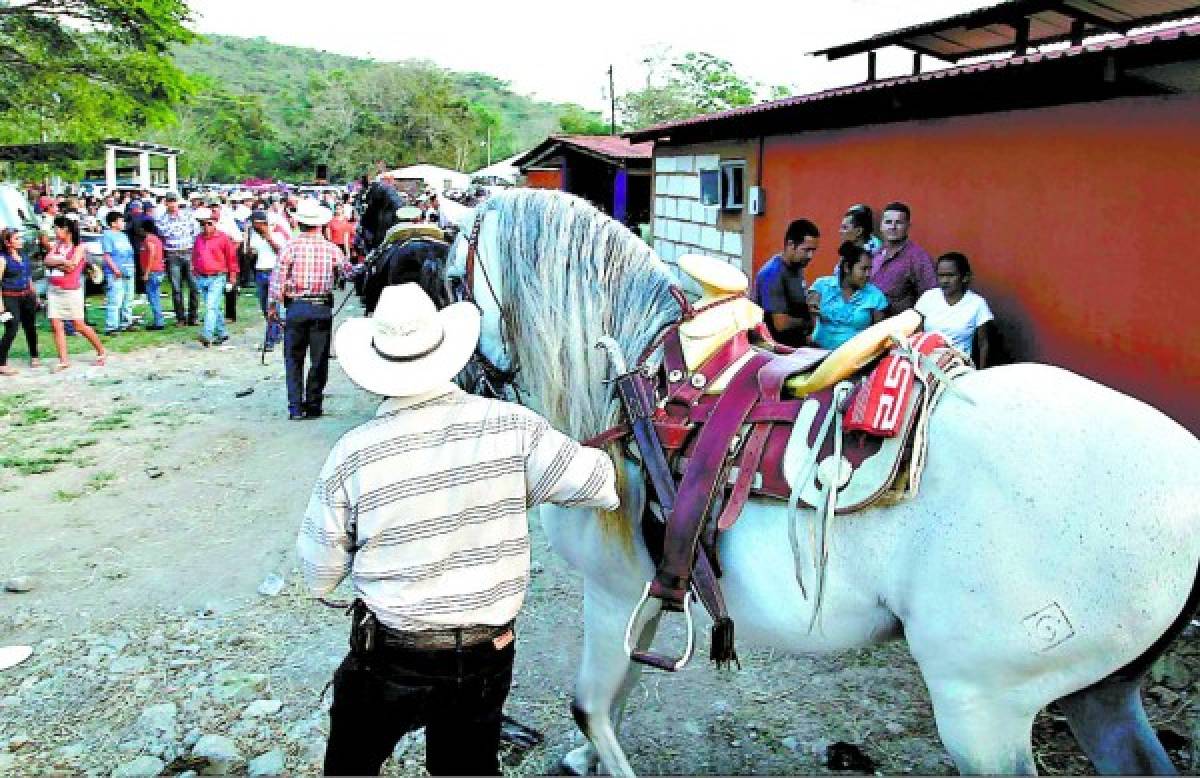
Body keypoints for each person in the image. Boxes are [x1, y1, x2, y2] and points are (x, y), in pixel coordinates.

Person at [298, 283, 619, 776]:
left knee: (349, 764)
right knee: (466, 765)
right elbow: (599, 483)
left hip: (392, 653)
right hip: (486, 652)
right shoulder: (513, 426)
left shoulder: (354, 452)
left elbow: (320, 572)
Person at [267, 199, 354, 420]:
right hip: (321, 308)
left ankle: (295, 407)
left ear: (300, 224)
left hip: (297, 307)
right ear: (320, 224)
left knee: (293, 359)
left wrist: (273, 306)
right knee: (319, 359)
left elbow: (277, 278)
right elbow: (348, 273)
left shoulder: (290, 247)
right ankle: (314, 404)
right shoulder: (331, 249)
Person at [44, 216, 105, 371]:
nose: (55, 231)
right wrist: (63, 262)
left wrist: (58, 263)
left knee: (79, 325)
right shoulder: (57, 245)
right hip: (54, 289)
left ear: (66, 230)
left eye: (57, 228)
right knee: (56, 324)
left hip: (71, 291)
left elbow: (72, 267)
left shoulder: (80, 246)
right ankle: (63, 360)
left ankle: (101, 351)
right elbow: (47, 260)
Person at [915, 251, 995, 367]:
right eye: (941, 276)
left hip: (958, 366)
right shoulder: (928, 297)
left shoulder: (977, 303)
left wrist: (982, 374)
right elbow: (917, 335)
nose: (944, 281)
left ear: (965, 277)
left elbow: (983, 344)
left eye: (950, 275)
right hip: (927, 365)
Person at [809, 241, 889, 351]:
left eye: (870, 269)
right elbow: (812, 304)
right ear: (847, 267)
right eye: (863, 269)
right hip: (818, 352)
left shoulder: (875, 296)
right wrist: (813, 306)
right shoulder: (822, 285)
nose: (868, 274)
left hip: (852, 360)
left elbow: (879, 336)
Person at [753, 218, 819, 347]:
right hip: (776, 351)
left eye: (813, 251)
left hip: (796, 345)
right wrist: (808, 320)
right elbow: (781, 324)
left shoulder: (797, 266)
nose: (810, 256)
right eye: (806, 250)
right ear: (791, 245)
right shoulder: (772, 274)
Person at [871, 201, 937, 315]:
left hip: (899, 324)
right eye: (888, 222)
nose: (892, 227)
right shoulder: (876, 253)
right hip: (871, 321)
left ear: (908, 226)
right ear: (881, 226)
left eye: (899, 222)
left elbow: (931, 295)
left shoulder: (918, 257)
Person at [190, 208, 239, 347]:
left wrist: (232, 276)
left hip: (218, 276)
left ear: (215, 223)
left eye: (209, 223)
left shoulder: (223, 238)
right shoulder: (199, 238)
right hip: (202, 276)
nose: (206, 227)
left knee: (210, 307)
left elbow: (231, 258)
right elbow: (195, 255)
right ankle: (222, 333)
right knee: (213, 307)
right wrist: (194, 269)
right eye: (203, 224)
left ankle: (207, 334)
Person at [156, 192, 199, 326]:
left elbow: (195, 232)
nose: (173, 204)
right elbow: (164, 234)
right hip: (172, 254)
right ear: (166, 203)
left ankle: (193, 316)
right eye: (170, 201)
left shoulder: (188, 215)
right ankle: (180, 318)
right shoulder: (161, 219)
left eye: (174, 201)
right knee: (176, 288)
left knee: (194, 286)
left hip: (188, 251)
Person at [0, 228, 39, 374]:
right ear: (7, 242)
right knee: (12, 328)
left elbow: (28, 276)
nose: (20, 241)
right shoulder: (2, 259)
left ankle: (34, 355)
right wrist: (0, 304)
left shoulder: (23, 255)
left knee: (30, 326)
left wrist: (34, 295)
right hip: (10, 296)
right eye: (16, 238)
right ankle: (1, 363)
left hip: (26, 295)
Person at [101, 211, 137, 335]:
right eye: (121, 221)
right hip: (115, 273)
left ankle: (126, 322)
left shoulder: (123, 235)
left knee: (128, 298)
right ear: (113, 223)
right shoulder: (107, 235)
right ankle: (111, 326)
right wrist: (115, 269)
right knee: (115, 299)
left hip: (128, 270)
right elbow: (106, 255)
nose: (123, 223)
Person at [138, 220, 166, 330]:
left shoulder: (149, 240)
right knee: (155, 296)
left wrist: (146, 272)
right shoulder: (156, 239)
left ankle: (159, 322)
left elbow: (151, 255)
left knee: (153, 297)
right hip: (157, 271)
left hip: (153, 271)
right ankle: (159, 320)